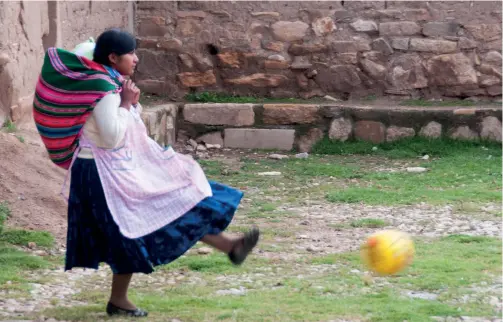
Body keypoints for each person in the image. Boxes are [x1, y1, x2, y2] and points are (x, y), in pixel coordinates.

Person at [36, 28, 260, 318]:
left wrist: (128, 102)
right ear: (113, 57)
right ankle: (119, 300)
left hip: (113, 168)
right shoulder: (104, 89)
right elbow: (110, 137)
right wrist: (127, 103)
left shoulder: (111, 82)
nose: (136, 59)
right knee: (130, 230)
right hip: (99, 174)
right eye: (131, 53)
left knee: (167, 205)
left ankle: (228, 244)